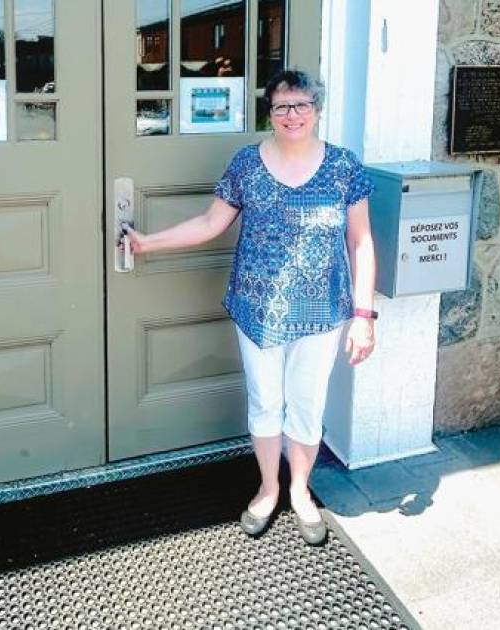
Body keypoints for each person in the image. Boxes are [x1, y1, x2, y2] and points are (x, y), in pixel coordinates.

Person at [122, 69, 377, 544]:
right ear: (270, 114)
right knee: (265, 403)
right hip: (257, 310)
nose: (292, 115)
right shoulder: (245, 164)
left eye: (301, 105)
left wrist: (364, 317)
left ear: (317, 110)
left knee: (306, 405)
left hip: (323, 312)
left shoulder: (344, 167)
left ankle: (300, 490)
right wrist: (148, 243)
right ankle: (267, 488)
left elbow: (361, 242)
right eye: (282, 107)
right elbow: (210, 223)